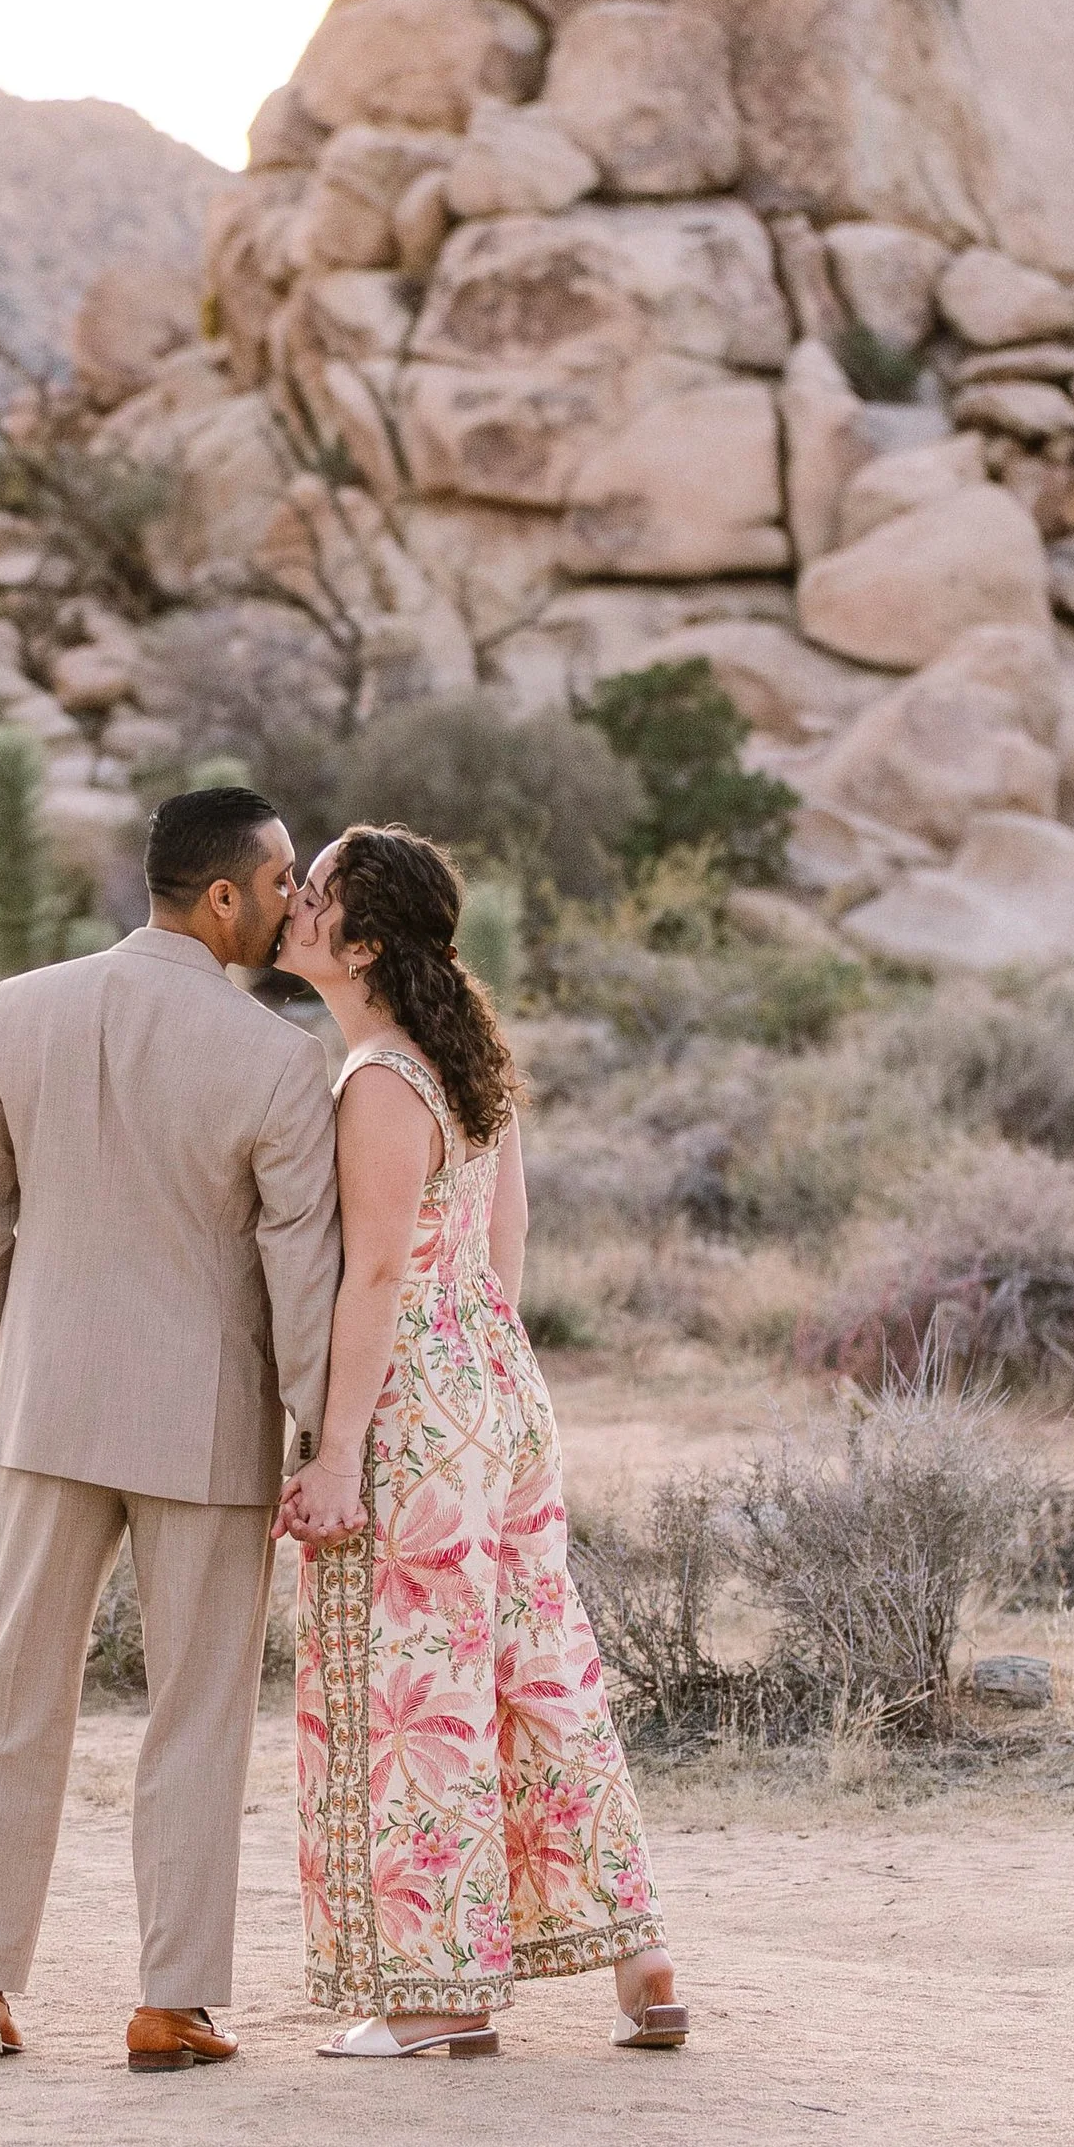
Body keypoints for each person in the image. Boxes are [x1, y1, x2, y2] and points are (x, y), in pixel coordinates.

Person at [0, 784, 341, 2074]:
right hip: (206, 1428)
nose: (294, 902)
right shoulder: (280, 1060)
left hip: (48, 1406)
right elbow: (301, 1276)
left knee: (14, 1695)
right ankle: (170, 2003)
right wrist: (323, 1429)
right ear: (221, 897)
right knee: (197, 1713)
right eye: (281, 880)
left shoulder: (19, 1008)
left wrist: (10, 1364)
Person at [275, 823, 686, 2061]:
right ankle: (641, 1959)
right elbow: (499, 1250)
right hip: (497, 1388)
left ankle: (435, 1992)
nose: (293, 905)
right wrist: (484, 1375)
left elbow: (379, 1273)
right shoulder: (471, 1067)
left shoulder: (379, 1082)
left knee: (416, 1692)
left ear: (363, 942)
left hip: (412, 1407)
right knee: (535, 1670)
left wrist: (338, 1452)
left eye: (317, 895)